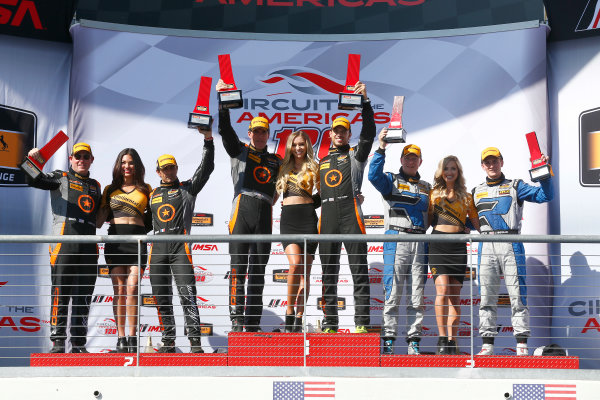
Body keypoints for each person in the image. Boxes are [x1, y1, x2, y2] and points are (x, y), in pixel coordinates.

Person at [473, 147, 553, 356]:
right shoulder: (475, 191)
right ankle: (487, 345)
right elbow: (466, 222)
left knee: (517, 295)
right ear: (483, 165)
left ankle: (521, 345)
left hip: (511, 241)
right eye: (487, 162)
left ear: (501, 162)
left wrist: (543, 173)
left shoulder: (515, 186)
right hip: (485, 244)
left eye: (495, 161)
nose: (491, 165)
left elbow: (546, 195)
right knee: (486, 297)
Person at [216, 79, 282, 332]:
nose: (259, 134)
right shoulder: (240, 151)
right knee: (238, 268)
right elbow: (225, 130)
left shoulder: (277, 160)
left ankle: (253, 323)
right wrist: (223, 102)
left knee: (258, 271)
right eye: (255, 131)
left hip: (265, 211)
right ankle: (236, 320)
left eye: (263, 131)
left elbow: (286, 186)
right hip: (242, 208)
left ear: (268, 134)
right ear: (250, 133)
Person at [26, 142, 101, 353]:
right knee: (60, 292)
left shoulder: (96, 185)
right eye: (78, 156)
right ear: (71, 159)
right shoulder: (61, 177)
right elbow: (33, 179)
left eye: (86, 156)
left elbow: (101, 217)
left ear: (91, 159)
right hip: (64, 241)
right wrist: (32, 160)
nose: (81, 160)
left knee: (84, 294)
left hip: (88, 245)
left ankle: (79, 344)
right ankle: (58, 342)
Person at [148, 129, 214, 353]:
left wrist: (208, 142)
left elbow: (206, 170)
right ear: (158, 171)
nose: (169, 171)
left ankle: (195, 344)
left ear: (176, 168)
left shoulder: (187, 189)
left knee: (187, 296)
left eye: (172, 167)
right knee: (161, 298)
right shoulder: (151, 194)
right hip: (157, 250)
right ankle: (168, 342)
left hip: (180, 249)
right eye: (165, 168)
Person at [318, 81, 376, 334]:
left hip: (351, 212)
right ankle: (330, 323)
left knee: (358, 270)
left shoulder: (356, 155)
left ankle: (362, 322)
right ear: (330, 134)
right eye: (336, 130)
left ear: (349, 134)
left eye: (344, 130)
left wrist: (365, 102)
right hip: (328, 215)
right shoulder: (320, 161)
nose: (340, 134)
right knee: (328, 273)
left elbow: (370, 133)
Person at [368, 133, 430, 355]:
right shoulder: (390, 180)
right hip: (396, 239)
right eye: (407, 157)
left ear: (420, 161)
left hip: (420, 241)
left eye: (415, 158)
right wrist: (381, 148)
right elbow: (373, 176)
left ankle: (414, 341)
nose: (411, 161)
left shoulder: (427, 187)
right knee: (392, 292)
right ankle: (389, 340)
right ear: (402, 160)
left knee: (416, 295)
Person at [97, 148, 152, 353]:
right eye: (123, 162)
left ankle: (132, 336)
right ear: (118, 166)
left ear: (137, 166)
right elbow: (98, 220)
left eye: (130, 163)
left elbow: (153, 218)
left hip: (137, 241)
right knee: (119, 290)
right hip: (116, 241)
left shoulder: (146, 188)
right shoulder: (110, 189)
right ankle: (121, 338)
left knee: (133, 288)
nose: (127, 166)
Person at [428, 155, 479, 355]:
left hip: (458, 247)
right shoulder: (432, 194)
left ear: (458, 173)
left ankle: (452, 341)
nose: (449, 172)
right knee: (442, 291)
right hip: (438, 244)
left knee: (455, 296)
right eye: (446, 169)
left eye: (453, 169)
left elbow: (476, 222)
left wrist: (466, 228)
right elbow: (428, 221)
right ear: (441, 171)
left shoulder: (467, 196)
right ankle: (442, 339)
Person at [275, 130, 320, 333]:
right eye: (295, 144)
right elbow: (273, 197)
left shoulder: (314, 167)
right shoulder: (283, 167)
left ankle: (299, 317)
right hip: (289, 220)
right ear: (290, 147)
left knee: (305, 274)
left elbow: (325, 193)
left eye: (302, 144)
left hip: (308, 219)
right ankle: (290, 311)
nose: (298, 148)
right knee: (295, 265)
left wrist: (311, 203)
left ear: (307, 146)